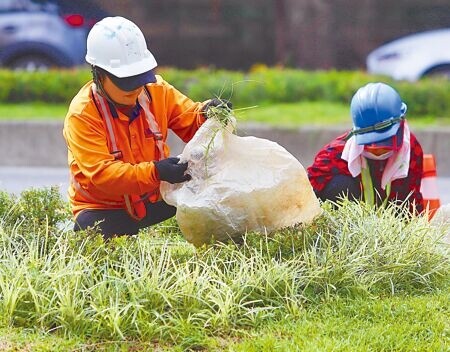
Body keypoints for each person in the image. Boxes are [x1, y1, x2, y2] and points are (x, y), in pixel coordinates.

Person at [63, 16, 231, 238]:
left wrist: (208, 114)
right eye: (126, 81)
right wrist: (156, 171)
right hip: (104, 208)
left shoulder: (157, 91)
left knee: (217, 207)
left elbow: (190, 122)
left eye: (139, 77)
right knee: (94, 231)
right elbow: (103, 175)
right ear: (99, 74)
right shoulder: (83, 114)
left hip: (156, 198)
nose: (135, 88)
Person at [307, 82, 424, 213]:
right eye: (370, 142)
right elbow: (304, 194)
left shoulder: (411, 150)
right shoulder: (335, 155)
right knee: (340, 185)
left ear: (401, 123)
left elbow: (413, 200)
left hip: (391, 224)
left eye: (383, 141)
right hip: (349, 226)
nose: (376, 148)